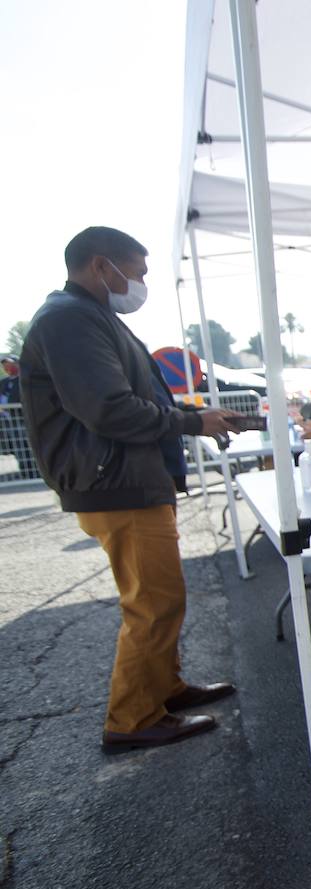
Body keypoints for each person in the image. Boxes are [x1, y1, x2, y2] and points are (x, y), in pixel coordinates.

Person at [20, 226, 241, 752]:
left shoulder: (87, 317)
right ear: (102, 266)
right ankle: (134, 718)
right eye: (136, 274)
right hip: (115, 482)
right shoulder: (70, 320)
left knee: (161, 596)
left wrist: (194, 416)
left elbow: (128, 398)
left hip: (125, 479)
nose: (140, 285)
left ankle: (162, 688)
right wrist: (192, 424)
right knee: (154, 602)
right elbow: (109, 408)